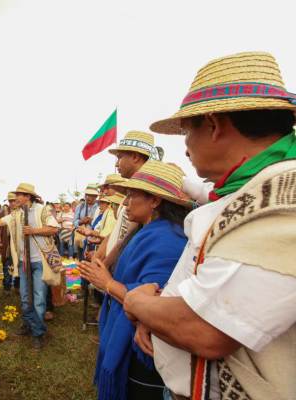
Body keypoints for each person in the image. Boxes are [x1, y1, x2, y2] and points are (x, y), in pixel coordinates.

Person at [124, 51, 296, 400]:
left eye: (187, 131)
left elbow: (204, 328)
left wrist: (136, 302)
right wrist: (158, 318)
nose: (186, 147)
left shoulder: (282, 197)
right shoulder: (249, 188)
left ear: (215, 126)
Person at [79, 161, 192, 400]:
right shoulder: (146, 231)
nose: (125, 202)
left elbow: (157, 302)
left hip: (142, 350)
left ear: (155, 200)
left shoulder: (168, 239)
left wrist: (107, 283)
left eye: (131, 195)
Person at [0, 183, 60, 350]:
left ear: (28, 196)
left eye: (20, 195)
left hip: (40, 262)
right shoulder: (16, 214)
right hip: (24, 263)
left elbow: (54, 229)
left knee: (38, 299)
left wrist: (34, 230)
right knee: (24, 298)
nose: (16, 198)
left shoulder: (42, 210)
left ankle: (37, 333)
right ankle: (28, 324)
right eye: (16, 195)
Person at [93, 132, 154, 262]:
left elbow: (126, 236)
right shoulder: (132, 196)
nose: (116, 164)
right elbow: (119, 230)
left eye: (119, 157)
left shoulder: (146, 194)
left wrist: (105, 264)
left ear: (135, 157)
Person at [72, 183, 100, 259]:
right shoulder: (80, 206)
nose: (87, 197)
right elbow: (74, 222)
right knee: (81, 259)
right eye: (86, 195)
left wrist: (92, 221)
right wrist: (81, 221)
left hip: (95, 238)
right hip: (81, 238)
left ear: (96, 196)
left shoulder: (100, 206)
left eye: (90, 195)